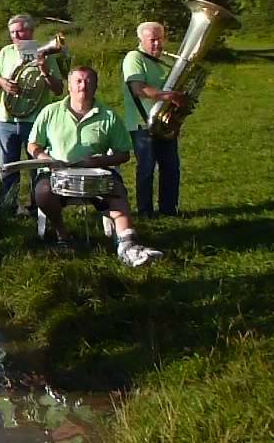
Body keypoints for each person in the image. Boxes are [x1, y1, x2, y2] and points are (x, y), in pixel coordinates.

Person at [28, 66, 163, 267]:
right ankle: (62, 235)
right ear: (69, 86)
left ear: (96, 87)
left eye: (89, 81)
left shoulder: (109, 115)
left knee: (116, 191)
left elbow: (123, 153)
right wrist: (47, 159)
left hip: (96, 174)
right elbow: (33, 145)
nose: (84, 86)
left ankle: (127, 245)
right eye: (79, 81)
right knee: (43, 193)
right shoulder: (50, 112)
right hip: (56, 173)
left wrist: (98, 162)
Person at [0, 14, 65, 214]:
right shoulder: (6, 52)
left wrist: (45, 71)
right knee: (7, 166)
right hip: (7, 120)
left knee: (37, 167)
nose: (16, 36)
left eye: (20, 31)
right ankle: (7, 208)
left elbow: (58, 90)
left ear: (30, 31)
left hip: (35, 120)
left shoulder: (44, 54)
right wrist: (2, 82)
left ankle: (37, 208)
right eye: (12, 32)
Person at [123, 22, 187, 216]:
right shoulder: (134, 58)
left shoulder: (165, 62)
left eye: (161, 39)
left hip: (164, 122)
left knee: (171, 167)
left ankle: (169, 210)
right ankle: (145, 211)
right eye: (153, 40)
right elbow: (139, 88)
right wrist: (170, 96)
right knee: (146, 169)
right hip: (142, 123)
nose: (158, 44)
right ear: (141, 40)